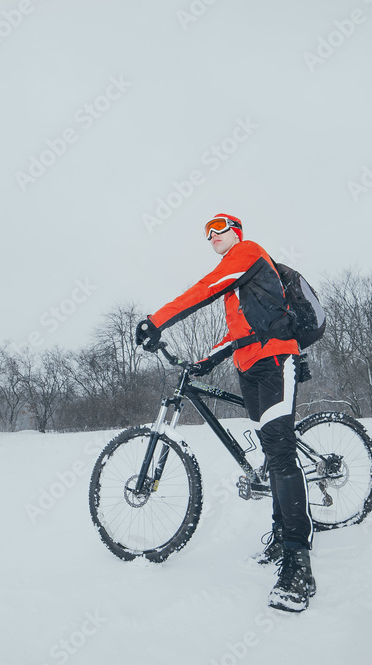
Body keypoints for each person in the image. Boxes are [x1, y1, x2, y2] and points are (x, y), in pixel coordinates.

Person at [133, 213, 316, 613]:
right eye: (206, 233)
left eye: (220, 228)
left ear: (236, 233)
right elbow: (235, 336)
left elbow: (204, 288)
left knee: (280, 453)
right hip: (249, 367)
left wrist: (157, 321)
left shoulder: (247, 254)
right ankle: (279, 528)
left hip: (275, 359)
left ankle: (298, 561)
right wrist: (203, 361)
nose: (212, 236)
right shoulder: (239, 291)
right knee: (271, 451)